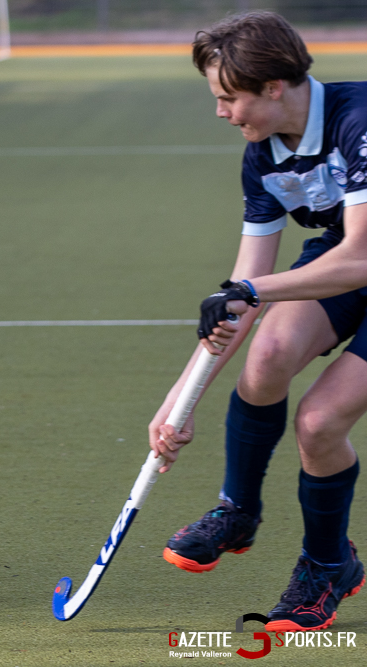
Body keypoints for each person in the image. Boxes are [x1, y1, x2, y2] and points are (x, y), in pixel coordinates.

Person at [149, 11, 367, 632]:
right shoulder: (263, 155)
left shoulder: (358, 121)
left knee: (320, 422)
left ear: (273, 87)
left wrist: (248, 291)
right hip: (340, 257)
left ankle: (328, 565)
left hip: (356, 256)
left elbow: (361, 257)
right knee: (266, 356)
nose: (221, 112)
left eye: (228, 98)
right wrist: (179, 402)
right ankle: (237, 511)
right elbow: (242, 291)